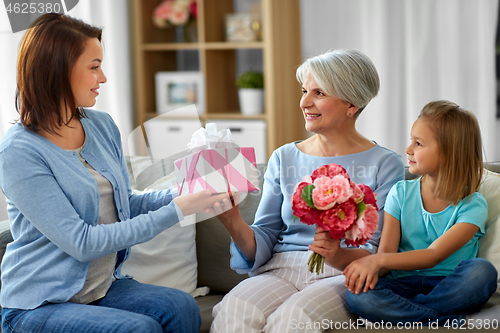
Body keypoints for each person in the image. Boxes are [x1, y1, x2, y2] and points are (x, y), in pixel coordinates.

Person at [0, 13, 229, 333]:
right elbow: (81, 242)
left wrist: (186, 193)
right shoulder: (19, 151)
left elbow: (124, 206)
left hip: (100, 289)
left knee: (180, 306)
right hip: (41, 304)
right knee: (137, 328)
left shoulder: (102, 126)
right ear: (57, 71)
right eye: (94, 67)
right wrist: (179, 210)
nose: (103, 77)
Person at [210, 49, 406, 332]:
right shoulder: (284, 157)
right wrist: (232, 221)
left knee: (294, 320)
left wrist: (336, 254)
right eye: (304, 91)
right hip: (279, 269)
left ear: (351, 104)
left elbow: (377, 252)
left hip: (341, 273)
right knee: (233, 310)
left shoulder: (385, 163)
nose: (304, 102)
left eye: (319, 93)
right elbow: (265, 235)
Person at [344, 100, 498, 324]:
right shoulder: (401, 192)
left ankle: (410, 315)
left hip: (449, 285)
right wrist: (372, 266)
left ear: (449, 152)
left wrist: (375, 262)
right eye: (411, 141)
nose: (408, 150)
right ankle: (438, 319)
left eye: (418, 143)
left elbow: (433, 255)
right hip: (402, 283)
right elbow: (387, 254)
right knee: (357, 294)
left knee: (482, 272)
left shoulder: (474, 204)